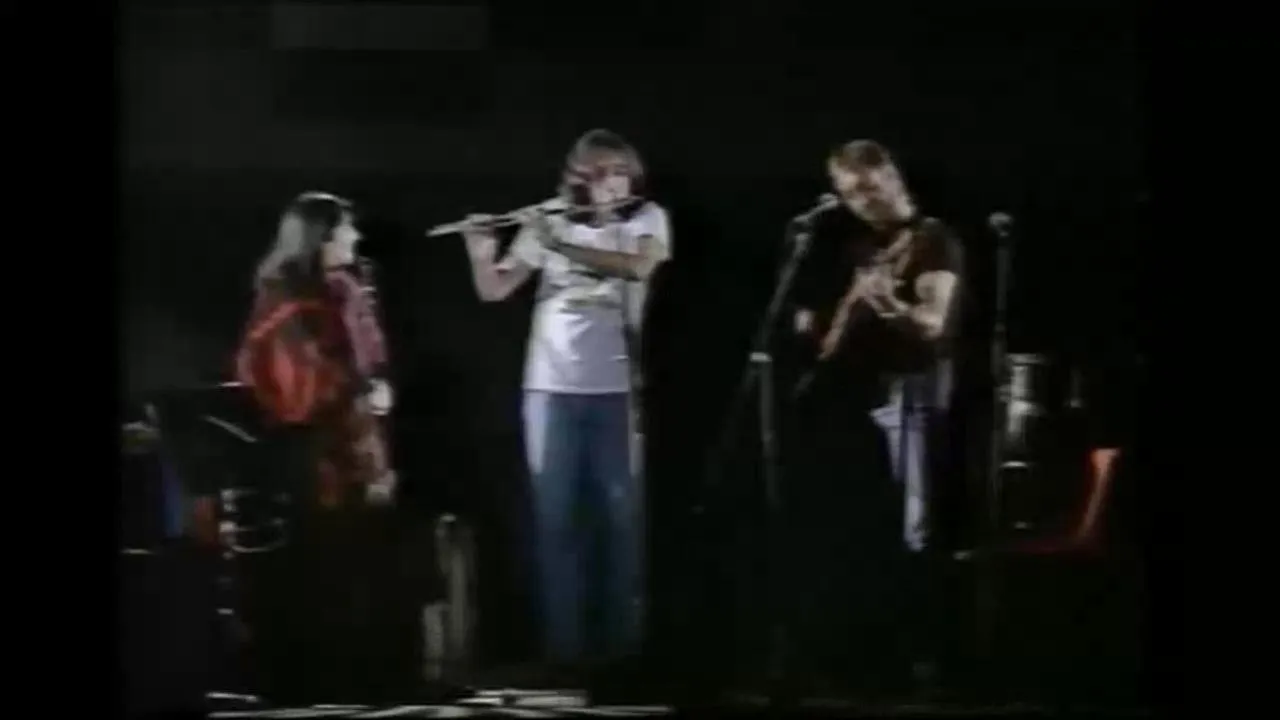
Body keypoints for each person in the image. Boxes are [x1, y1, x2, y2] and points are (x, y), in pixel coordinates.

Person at [459, 129, 672, 680]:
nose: (610, 182)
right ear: (578, 178)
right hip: (549, 389)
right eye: (597, 172)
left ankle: (624, 650)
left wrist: (557, 243)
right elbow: (495, 289)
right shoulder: (550, 221)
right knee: (555, 520)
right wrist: (481, 252)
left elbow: (638, 267)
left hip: (617, 388)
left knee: (620, 519)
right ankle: (566, 651)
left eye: (619, 171)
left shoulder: (646, 220)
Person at [784, 139, 964, 696]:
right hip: (861, 401)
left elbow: (933, 324)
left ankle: (926, 659)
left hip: (911, 396)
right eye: (848, 193)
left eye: (867, 186)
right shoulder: (863, 247)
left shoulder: (933, 239)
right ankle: (874, 657)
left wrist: (887, 302)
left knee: (915, 528)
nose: (860, 200)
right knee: (869, 532)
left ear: (891, 175)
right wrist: (817, 329)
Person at [233, 191, 408, 701]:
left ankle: (359, 668)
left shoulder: (343, 289)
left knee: (357, 553)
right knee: (321, 557)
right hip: (310, 448)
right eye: (346, 228)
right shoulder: (288, 294)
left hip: (351, 441)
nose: (356, 236)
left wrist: (376, 383)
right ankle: (315, 676)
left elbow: (365, 355)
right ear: (322, 236)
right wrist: (360, 390)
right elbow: (303, 375)